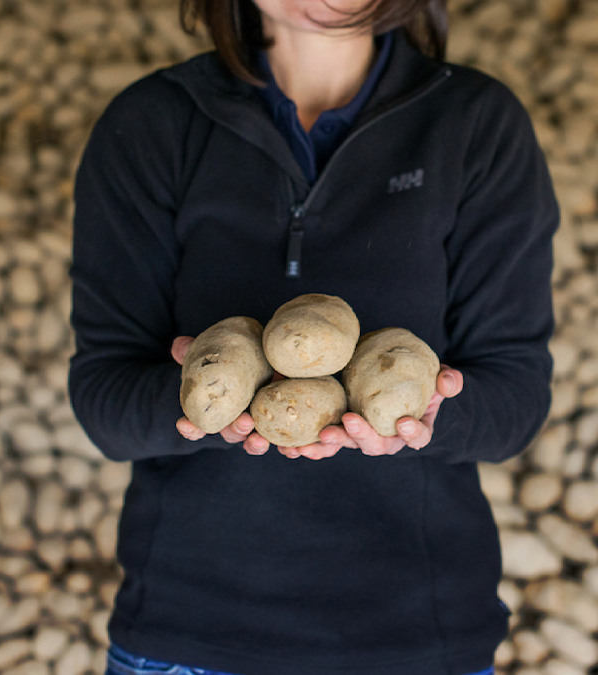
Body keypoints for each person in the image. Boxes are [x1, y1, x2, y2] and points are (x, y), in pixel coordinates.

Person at [69, 0, 558, 674]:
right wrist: (201, 400)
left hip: (420, 641)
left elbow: (517, 397)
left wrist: (431, 411)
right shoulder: (152, 124)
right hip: (188, 640)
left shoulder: (476, 123)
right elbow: (104, 401)